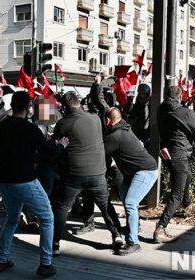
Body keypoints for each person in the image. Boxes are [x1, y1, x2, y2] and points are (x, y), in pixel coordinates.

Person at [0, 91, 68, 277]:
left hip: (5, 182)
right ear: (28, 108)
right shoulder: (30, 128)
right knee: (47, 218)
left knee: (11, 219)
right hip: (25, 180)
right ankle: (45, 264)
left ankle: (2, 260)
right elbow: (49, 152)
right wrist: (61, 145)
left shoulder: (1, 127)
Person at [52, 92, 123, 257]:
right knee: (106, 206)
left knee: (62, 207)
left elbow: (58, 147)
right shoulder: (95, 119)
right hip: (97, 173)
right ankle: (117, 236)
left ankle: (55, 243)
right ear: (78, 103)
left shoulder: (63, 124)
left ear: (64, 107)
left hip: (73, 175)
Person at [104, 108, 158, 255]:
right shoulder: (125, 128)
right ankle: (135, 227)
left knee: (130, 202)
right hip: (134, 173)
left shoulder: (115, 136)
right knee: (123, 195)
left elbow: (100, 153)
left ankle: (133, 242)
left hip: (145, 172)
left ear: (108, 120)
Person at [154, 86, 195, 243]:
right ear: (180, 96)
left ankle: (187, 204)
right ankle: (161, 228)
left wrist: (189, 110)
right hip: (179, 154)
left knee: (186, 178)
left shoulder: (162, 108)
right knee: (177, 193)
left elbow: (178, 116)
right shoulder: (186, 113)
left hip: (167, 153)